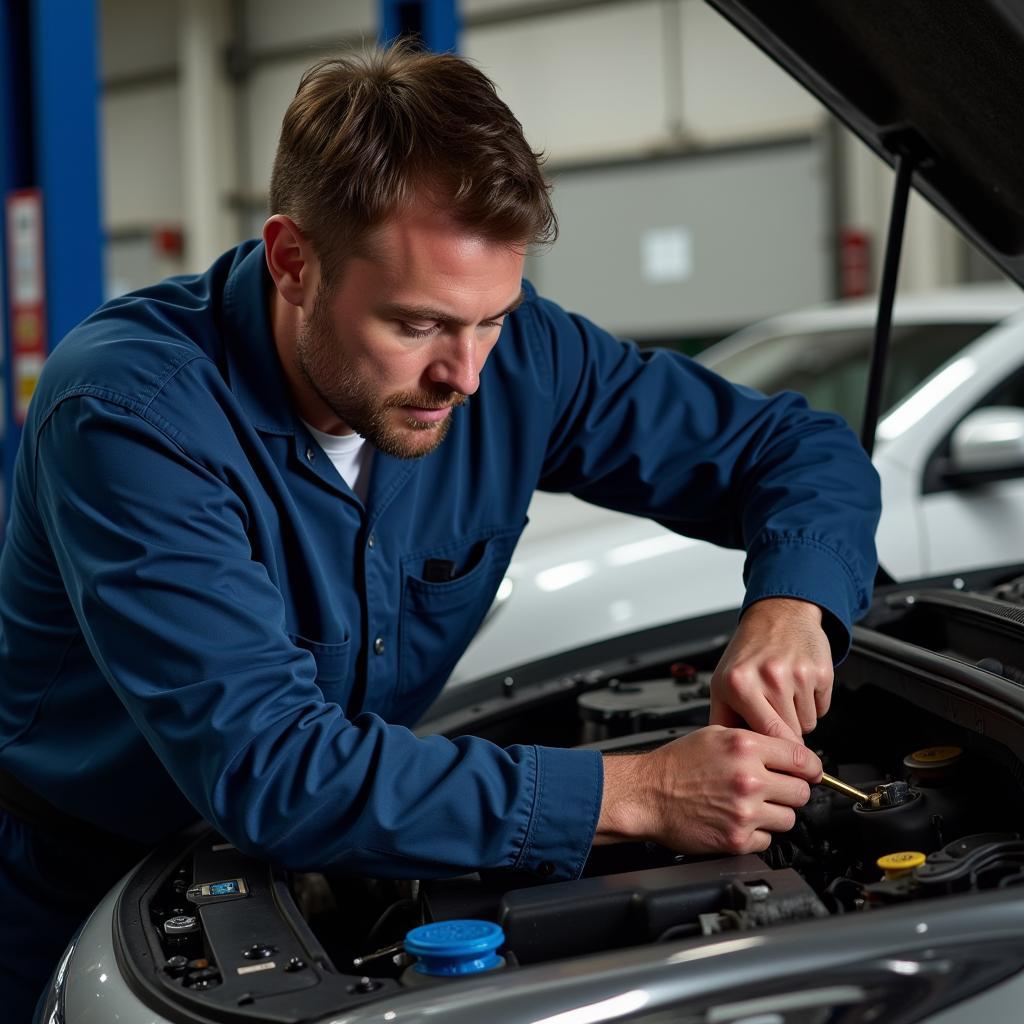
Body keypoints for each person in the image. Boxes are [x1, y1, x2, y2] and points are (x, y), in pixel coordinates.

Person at [0, 45, 880, 1020]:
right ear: (293, 260)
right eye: (416, 325)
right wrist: (633, 791)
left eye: (490, 318)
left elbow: (795, 449)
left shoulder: (521, 357)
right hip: (75, 901)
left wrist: (792, 606)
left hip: (340, 861)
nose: (465, 374)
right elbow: (276, 768)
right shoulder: (132, 413)